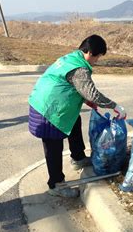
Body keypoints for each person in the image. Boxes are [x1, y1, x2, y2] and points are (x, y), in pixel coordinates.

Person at [28, 35, 127, 198]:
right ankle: (56, 184)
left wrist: (90, 102)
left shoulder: (72, 58)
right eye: (97, 56)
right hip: (48, 111)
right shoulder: (80, 68)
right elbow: (92, 94)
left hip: (46, 103)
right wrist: (115, 106)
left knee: (74, 120)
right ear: (88, 52)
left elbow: (76, 88)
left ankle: (78, 157)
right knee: (53, 147)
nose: (96, 60)